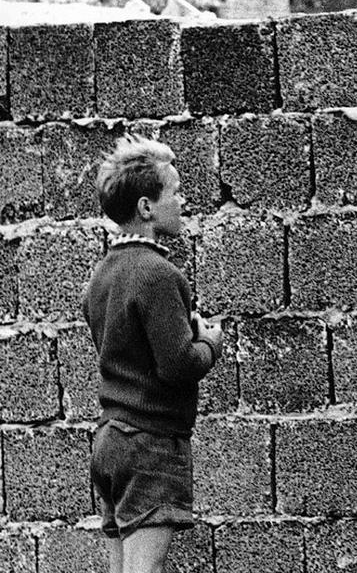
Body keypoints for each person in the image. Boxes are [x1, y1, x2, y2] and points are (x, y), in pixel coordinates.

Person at [83, 135, 224, 573]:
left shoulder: (102, 275)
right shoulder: (158, 274)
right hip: (149, 445)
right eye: (175, 192)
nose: (182, 201)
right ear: (147, 208)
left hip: (110, 441)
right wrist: (210, 343)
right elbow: (179, 365)